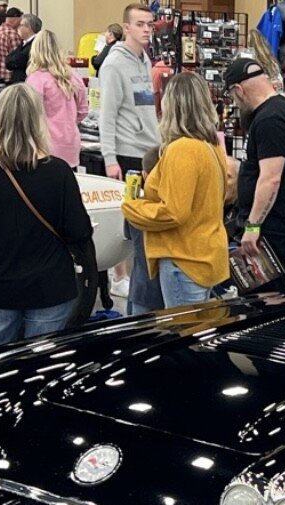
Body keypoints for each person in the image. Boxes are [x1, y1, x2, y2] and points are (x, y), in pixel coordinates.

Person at [0, 85, 93, 349]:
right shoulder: (58, 172)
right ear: (39, 121)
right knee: (42, 361)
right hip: (49, 285)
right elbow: (79, 231)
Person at [122, 73, 228, 308]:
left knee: (181, 336)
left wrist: (132, 207)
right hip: (205, 255)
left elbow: (174, 212)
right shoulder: (211, 147)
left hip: (184, 259)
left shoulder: (182, 150)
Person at [225, 57, 285, 293]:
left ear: (239, 90)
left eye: (232, 96)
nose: (235, 102)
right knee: (266, 295)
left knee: (263, 299)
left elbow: (271, 178)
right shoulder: (284, 109)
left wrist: (253, 225)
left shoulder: (270, 120)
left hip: (272, 227)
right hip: (278, 223)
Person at [99, 3, 159, 180]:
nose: (146, 30)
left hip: (150, 150)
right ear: (127, 28)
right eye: (140, 24)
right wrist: (110, 159)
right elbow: (107, 114)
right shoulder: (114, 64)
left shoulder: (145, 60)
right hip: (127, 152)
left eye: (150, 25)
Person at [25, 30, 88, 168]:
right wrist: (69, 121)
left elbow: (29, 115)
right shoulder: (74, 76)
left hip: (44, 146)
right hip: (71, 144)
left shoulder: (36, 79)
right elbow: (83, 110)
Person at [124, 146, 163, 315]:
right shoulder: (172, 208)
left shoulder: (137, 208)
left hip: (141, 286)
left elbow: (127, 235)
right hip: (166, 284)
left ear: (144, 175)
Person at [0, 5, 23, 82]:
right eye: (20, 20)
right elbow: (17, 58)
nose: (20, 24)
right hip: (8, 77)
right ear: (15, 19)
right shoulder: (13, 35)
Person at [4, 12, 41, 85]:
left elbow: (15, 60)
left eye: (21, 25)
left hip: (25, 84)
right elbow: (8, 60)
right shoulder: (24, 43)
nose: (18, 28)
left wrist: (10, 59)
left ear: (29, 28)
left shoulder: (35, 45)